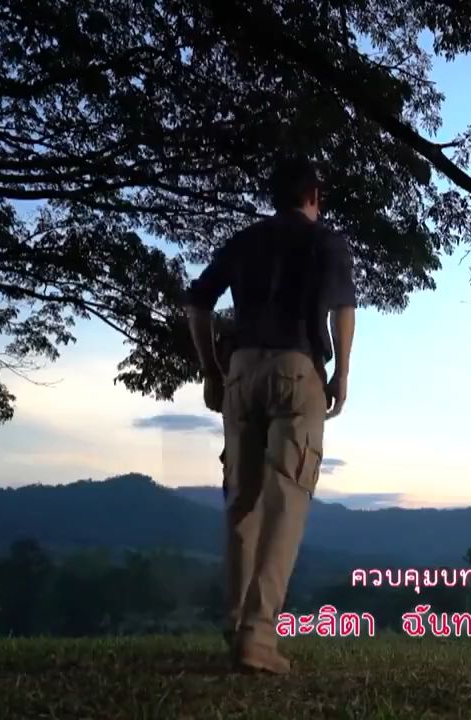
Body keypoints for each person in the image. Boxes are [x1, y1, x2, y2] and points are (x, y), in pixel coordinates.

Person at [182, 156, 356, 675]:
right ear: (314, 196)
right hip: (296, 369)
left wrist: (211, 370)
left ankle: (237, 625)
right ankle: (258, 636)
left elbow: (197, 303)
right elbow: (343, 309)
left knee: (243, 498)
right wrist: (342, 373)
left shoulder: (245, 241)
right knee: (287, 499)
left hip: (241, 369)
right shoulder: (327, 241)